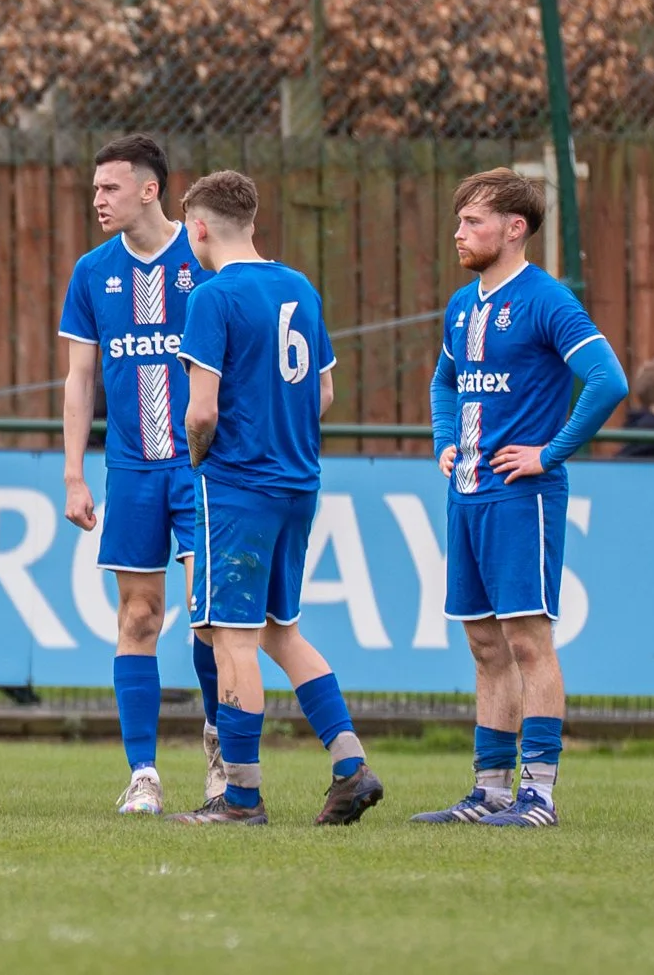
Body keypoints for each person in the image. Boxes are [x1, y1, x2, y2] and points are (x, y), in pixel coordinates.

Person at [164, 171, 384, 828]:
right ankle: (351, 765)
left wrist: (201, 456)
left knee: (230, 638)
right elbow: (322, 396)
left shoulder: (212, 297)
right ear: (251, 221)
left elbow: (201, 411)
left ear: (198, 228)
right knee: (278, 631)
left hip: (238, 484)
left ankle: (241, 796)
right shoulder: (299, 288)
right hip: (297, 481)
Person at [413, 168, 628, 829]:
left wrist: (548, 452)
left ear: (515, 228)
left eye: (472, 221)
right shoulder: (462, 304)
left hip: (521, 497)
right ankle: (490, 791)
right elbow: (444, 381)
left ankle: (538, 794)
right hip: (469, 493)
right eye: (458, 220)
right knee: (484, 644)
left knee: (529, 641)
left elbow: (607, 379)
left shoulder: (546, 299)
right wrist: (447, 438)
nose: (458, 232)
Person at [58, 134, 222, 816]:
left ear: (149, 189)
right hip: (130, 469)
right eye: (95, 189)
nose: (97, 199)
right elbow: (79, 377)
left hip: (202, 468)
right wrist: (73, 474)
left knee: (210, 619)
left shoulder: (205, 259)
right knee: (139, 614)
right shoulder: (92, 271)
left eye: (109, 188)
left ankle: (223, 756)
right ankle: (144, 773)